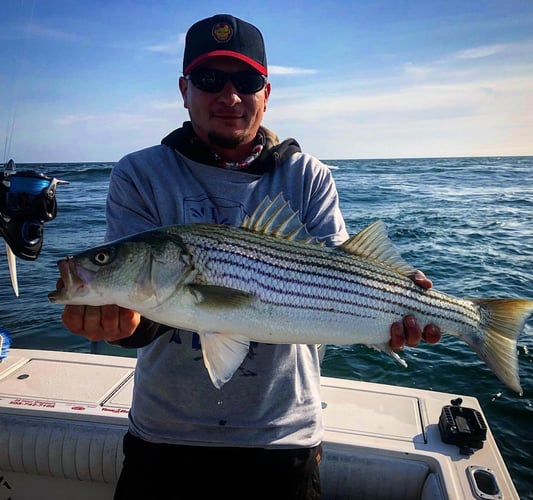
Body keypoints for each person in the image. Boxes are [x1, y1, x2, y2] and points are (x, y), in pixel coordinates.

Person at [59, 14, 441, 500]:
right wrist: (123, 324)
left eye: (246, 80)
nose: (229, 96)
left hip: (283, 439)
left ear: (267, 91)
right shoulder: (140, 173)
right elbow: (146, 311)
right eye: (209, 79)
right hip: (165, 436)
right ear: (183, 88)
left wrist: (394, 307)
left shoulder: (309, 176)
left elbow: (343, 277)